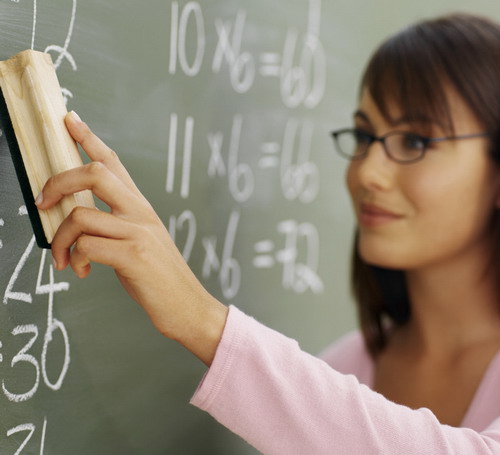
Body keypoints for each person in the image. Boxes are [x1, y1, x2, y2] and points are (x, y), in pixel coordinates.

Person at [35, 12, 500, 454]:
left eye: (415, 141)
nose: (367, 173)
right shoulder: (346, 368)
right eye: (363, 137)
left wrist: (199, 317)